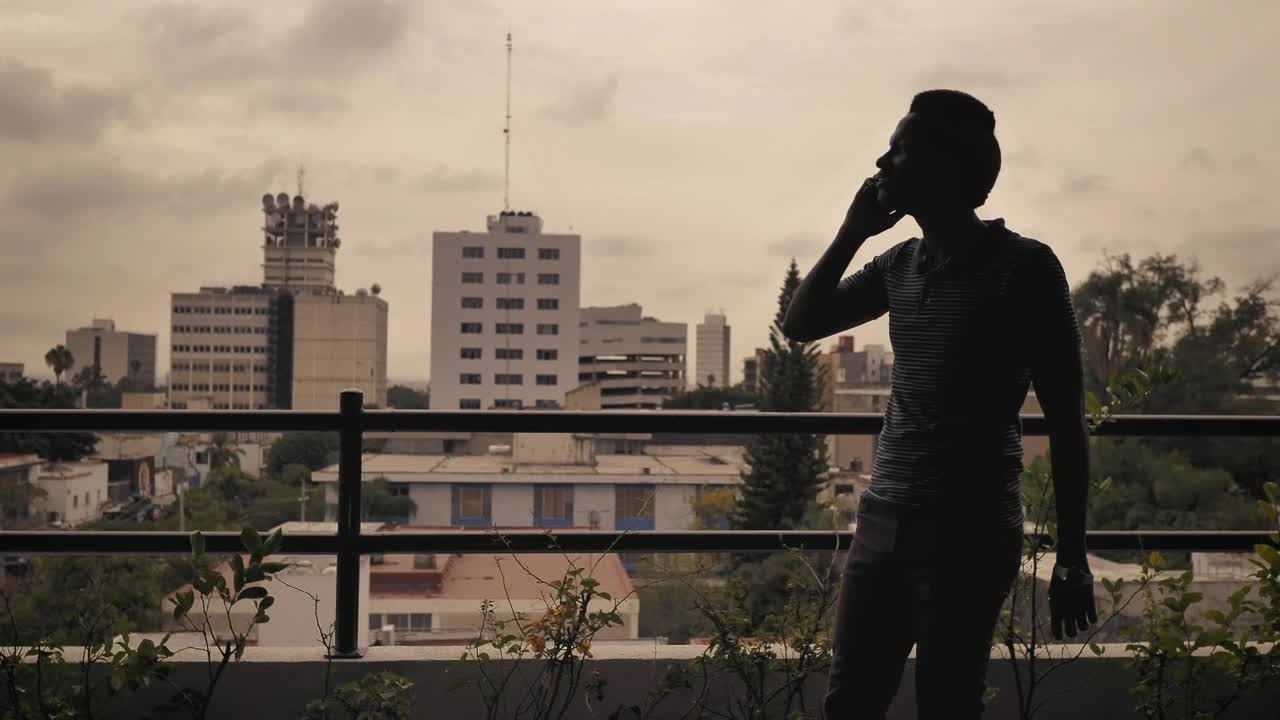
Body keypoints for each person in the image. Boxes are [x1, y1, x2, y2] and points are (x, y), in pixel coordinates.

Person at [782, 89, 1097, 719]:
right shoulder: (900, 263)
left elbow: (1067, 422)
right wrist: (851, 231)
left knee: (947, 706)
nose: (882, 161)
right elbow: (801, 323)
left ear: (948, 167)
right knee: (850, 703)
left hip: (971, 531)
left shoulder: (1025, 269)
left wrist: (1071, 557)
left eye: (899, 148)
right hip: (884, 520)